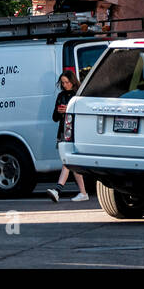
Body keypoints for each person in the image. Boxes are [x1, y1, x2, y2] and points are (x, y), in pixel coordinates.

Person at [47, 70, 90, 203]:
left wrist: (69, 110)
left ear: (73, 82)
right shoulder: (60, 96)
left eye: (67, 82)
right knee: (72, 163)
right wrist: (59, 112)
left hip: (75, 133)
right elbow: (54, 118)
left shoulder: (79, 95)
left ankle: (58, 190)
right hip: (63, 132)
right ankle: (83, 193)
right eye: (63, 82)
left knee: (68, 161)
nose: (65, 85)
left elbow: (84, 113)